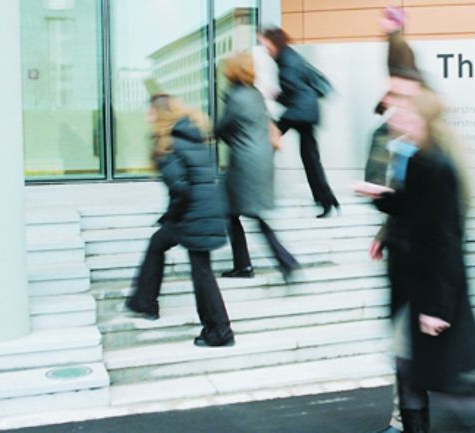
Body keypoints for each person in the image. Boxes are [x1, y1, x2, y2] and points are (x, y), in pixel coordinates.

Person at [357, 91, 475, 433]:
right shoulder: (421, 160)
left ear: (423, 121)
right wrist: (382, 198)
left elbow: (444, 243)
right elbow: (412, 208)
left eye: (406, 114)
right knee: (413, 370)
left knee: (447, 387)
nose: (397, 119)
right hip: (417, 288)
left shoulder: (436, 166)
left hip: (431, 293)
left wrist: (435, 308)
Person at [125, 93, 235, 348]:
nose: (146, 116)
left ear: (160, 115)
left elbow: (180, 189)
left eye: (150, 112)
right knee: (160, 245)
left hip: (191, 214)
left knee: (201, 271)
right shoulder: (193, 136)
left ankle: (220, 331)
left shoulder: (167, 145)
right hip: (205, 210)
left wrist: (171, 215)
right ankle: (145, 302)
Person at [215, 52, 300, 281]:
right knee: (239, 213)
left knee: (244, 215)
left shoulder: (236, 96)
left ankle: (285, 261)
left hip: (244, 165)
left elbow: (223, 127)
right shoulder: (255, 94)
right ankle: (247, 265)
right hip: (261, 161)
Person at [260, 27, 340, 218]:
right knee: (311, 159)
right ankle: (328, 200)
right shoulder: (290, 57)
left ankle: (258, 193)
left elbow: (294, 94)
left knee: (266, 144)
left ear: (274, 42)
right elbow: (301, 89)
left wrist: (277, 96)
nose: (264, 48)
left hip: (299, 113)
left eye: (265, 44)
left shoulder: (287, 63)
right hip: (307, 112)